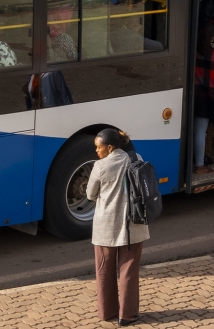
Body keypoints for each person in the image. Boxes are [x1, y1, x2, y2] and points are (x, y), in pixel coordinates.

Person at [87, 128, 148, 326]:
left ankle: (107, 312)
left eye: (99, 147)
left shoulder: (99, 166)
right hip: (133, 223)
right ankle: (127, 315)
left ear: (110, 147)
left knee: (104, 269)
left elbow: (90, 194)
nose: (96, 151)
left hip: (106, 225)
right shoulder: (134, 157)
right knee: (128, 270)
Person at [194, 25, 214, 174]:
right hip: (208, 98)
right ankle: (199, 164)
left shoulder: (193, 52)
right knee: (201, 131)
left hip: (193, 96)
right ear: (212, 38)